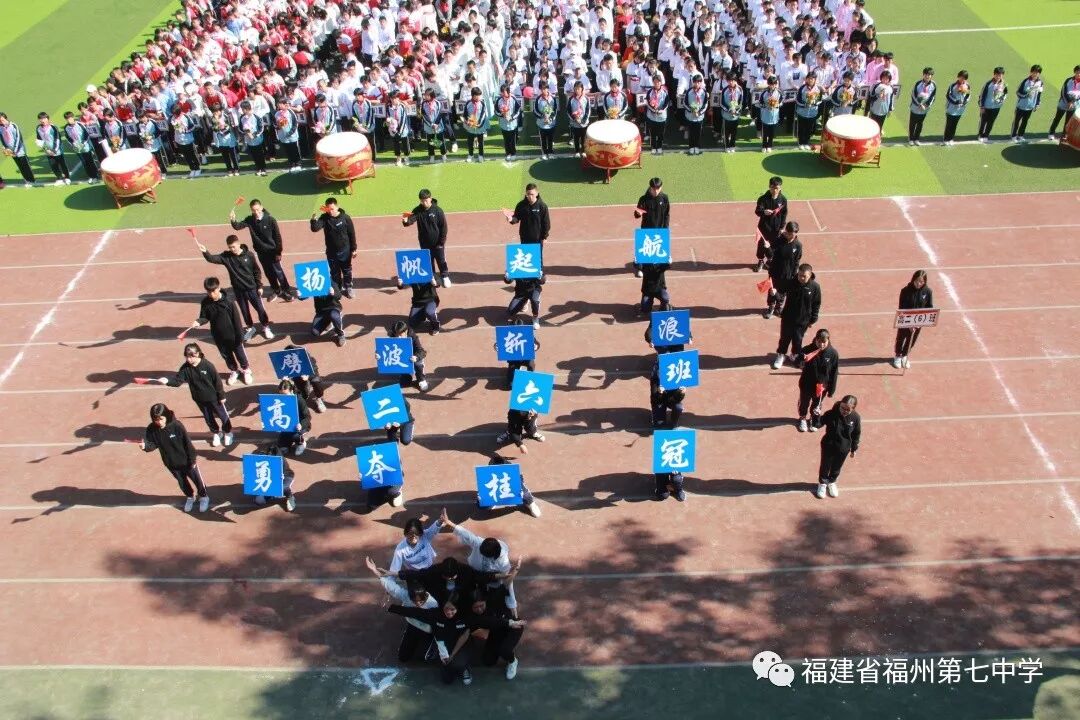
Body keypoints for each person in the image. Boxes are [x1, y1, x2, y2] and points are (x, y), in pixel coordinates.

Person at [387, 593, 527, 686]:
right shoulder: (434, 615)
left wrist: (510, 623)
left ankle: (465, 668)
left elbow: (488, 621)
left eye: (453, 610)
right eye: (447, 609)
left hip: (462, 645)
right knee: (447, 680)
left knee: (458, 664)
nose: (449, 612)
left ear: (457, 609)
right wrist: (391, 607)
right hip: (444, 645)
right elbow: (414, 612)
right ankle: (448, 662)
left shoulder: (466, 618)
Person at [149, 342, 234, 447]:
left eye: (191, 357)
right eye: (187, 357)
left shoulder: (208, 365)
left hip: (214, 398)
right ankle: (216, 433)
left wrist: (221, 396)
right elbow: (178, 381)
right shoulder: (185, 368)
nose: (188, 359)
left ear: (197, 354)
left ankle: (228, 432)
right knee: (208, 418)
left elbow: (217, 382)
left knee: (222, 416)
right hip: (200, 399)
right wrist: (167, 381)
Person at [198, 234, 274, 340]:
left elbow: (256, 271)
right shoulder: (227, 257)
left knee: (260, 309)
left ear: (238, 244)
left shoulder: (249, 255)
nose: (232, 249)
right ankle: (250, 328)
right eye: (230, 247)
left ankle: (265, 326)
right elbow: (211, 258)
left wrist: (259, 286)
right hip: (238, 291)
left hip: (252, 289)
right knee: (244, 311)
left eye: (233, 247)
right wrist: (205, 251)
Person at [140, 403, 211, 513]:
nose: (159, 422)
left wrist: (192, 460)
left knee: (197, 479)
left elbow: (187, 443)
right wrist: (145, 447)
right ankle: (190, 497)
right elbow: (153, 444)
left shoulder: (177, 426)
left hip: (187, 462)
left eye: (161, 419)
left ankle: (204, 496)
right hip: (171, 464)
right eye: (156, 420)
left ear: (166, 416)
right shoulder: (151, 429)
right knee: (182, 483)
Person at [365, 557, 439, 661]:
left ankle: (434, 640)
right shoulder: (406, 596)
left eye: (421, 601)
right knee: (403, 657)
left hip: (430, 628)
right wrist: (374, 570)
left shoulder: (433, 604)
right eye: (414, 601)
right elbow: (391, 587)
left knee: (428, 657)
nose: (418, 604)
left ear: (425, 596)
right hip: (414, 625)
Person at [188, 276, 253, 385]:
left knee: (240, 355)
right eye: (208, 292)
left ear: (218, 288)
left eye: (213, 291)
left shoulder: (229, 302)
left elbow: (237, 320)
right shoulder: (205, 302)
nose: (211, 294)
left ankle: (246, 370)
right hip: (219, 336)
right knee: (227, 356)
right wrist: (198, 321)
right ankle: (234, 371)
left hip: (234, 336)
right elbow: (205, 317)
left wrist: (240, 336)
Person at [230, 199, 293, 301]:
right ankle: (277, 290)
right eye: (253, 210)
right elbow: (238, 226)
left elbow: (277, 237)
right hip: (261, 253)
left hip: (273, 252)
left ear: (261, 207)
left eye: (257, 209)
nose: (256, 212)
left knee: (278, 272)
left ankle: (286, 290)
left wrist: (278, 252)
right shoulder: (250, 220)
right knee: (268, 273)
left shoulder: (270, 220)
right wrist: (233, 220)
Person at [772, 264, 821, 369]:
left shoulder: (815, 287)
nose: (801, 278)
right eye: (799, 275)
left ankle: (794, 354)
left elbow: (816, 304)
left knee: (798, 340)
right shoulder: (791, 283)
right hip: (788, 318)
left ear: (810, 275)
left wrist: (813, 319)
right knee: (784, 338)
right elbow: (780, 292)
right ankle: (781, 355)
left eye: (804, 276)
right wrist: (774, 293)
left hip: (803, 320)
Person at [815, 395, 861, 499]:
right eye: (842, 408)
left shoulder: (856, 418)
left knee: (837, 467)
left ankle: (832, 481)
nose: (844, 411)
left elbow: (856, 434)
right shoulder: (831, 414)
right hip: (828, 445)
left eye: (848, 409)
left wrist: (854, 449)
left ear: (853, 409)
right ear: (840, 404)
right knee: (825, 466)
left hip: (843, 448)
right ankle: (822, 483)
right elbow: (817, 424)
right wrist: (816, 416)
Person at [402, 188, 451, 287]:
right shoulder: (417, 210)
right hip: (424, 242)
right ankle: (432, 277)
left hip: (437, 243)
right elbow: (410, 220)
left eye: (426, 200)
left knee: (441, 260)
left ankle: (445, 276)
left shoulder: (438, 211)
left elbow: (444, 228)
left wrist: (441, 243)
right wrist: (406, 221)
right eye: (422, 201)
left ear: (430, 198)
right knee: (428, 261)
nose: (424, 203)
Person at [310, 197, 357, 298]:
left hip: (345, 251)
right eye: (328, 209)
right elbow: (315, 228)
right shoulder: (324, 218)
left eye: (332, 209)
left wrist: (354, 249)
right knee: (335, 273)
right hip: (331, 253)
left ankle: (348, 287)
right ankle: (337, 289)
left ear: (337, 207)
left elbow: (351, 234)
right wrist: (313, 220)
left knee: (347, 271)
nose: (330, 211)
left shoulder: (345, 218)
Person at [796, 328, 840, 433]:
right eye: (819, 342)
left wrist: (831, 390)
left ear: (828, 340)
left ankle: (813, 418)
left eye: (824, 342)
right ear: (815, 339)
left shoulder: (833, 354)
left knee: (817, 404)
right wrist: (801, 358)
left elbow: (834, 373)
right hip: (806, 384)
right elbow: (797, 360)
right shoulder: (807, 349)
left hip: (821, 387)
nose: (821, 344)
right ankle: (802, 417)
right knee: (804, 403)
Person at [893, 270, 934, 369]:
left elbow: (929, 307)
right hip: (905, 321)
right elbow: (902, 307)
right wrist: (908, 323)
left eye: (921, 282)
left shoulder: (928, 292)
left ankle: (905, 355)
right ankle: (898, 355)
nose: (918, 284)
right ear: (913, 279)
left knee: (912, 339)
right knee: (901, 338)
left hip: (918, 322)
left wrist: (919, 323)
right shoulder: (905, 291)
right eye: (917, 281)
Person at [763, 221, 803, 319]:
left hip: (788, 274)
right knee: (772, 290)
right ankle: (771, 307)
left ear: (796, 233)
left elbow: (797, 261)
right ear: (786, 231)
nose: (790, 236)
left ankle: (778, 307)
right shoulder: (779, 240)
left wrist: (794, 274)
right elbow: (770, 254)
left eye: (792, 234)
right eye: (789, 234)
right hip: (775, 272)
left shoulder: (798, 245)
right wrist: (767, 248)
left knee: (783, 292)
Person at [634, 176, 670, 277]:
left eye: (658, 188)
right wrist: (638, 213)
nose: (656, 191)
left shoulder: (664, 198)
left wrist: (666, 228)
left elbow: (667, 214)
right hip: (646, 228)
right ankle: (640, 268)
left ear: (661, 187)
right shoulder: (644, 199)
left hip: (660, 228)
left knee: (658, 249)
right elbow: (637, 214)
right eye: (654, 189)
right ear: (650, 188)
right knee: (644, 249)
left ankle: (657, 267)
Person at [386, 319, 430, 392]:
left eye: (400, 335)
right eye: (397, 335)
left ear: (406, 332)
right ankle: (406, 375)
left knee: (417, 364)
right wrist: (378, 355)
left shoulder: (413, 337)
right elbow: (384, 348)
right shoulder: (392, 336)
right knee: (405, 383)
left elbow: (422, 352)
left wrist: (416, 357)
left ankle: (421, 379)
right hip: (401, 358)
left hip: (413, 357)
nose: (398, 338)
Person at [754, 177, 788, 272]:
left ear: (780, 188)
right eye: (772, 188)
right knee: (761, 245)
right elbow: (757, 211)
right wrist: (764, 212)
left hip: (776, 228)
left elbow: (784, 214)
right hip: (764, 228)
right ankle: (760, 260)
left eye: (777, 188)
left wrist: (782, 227)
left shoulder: (783, 200)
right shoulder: (763, 199)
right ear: (769, 186)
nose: (775, 190)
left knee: (773, 246)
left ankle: (769, 261)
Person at [251, 443, 298, 511]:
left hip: (285, 477)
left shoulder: (279, 460)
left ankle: (289, 495)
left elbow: (276, 477)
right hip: (270, 478)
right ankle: (271, 494)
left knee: (281, 487)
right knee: (259, 501)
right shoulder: (261, 458)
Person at [269, 378, 310, 456]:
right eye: (281, 394)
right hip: (287, 425)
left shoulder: (299, 400)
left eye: (285, 394)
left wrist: (301, 425)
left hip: (299, 425)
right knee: (282, 448)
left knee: (295, 435)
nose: (283, 397)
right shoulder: (279, 400)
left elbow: (307, 417)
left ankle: (301, 443)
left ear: (291, 391)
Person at [284, 344, 327, 413]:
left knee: (317, 382)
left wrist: (308, 376)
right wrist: (285, 377)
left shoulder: (304, 354)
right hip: (297, 374)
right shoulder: (285, 357)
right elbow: (284, 369)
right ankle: (304, 392)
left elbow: (313, 367)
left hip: (310, 371)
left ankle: (318, 398)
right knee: (302, 391)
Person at [62, 111, 99, 183]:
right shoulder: (66, 127)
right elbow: (68, 137)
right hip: (77, 148)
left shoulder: (80, 124)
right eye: (67, 119)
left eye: (70, 118)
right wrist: (73, 143)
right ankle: (90, 176)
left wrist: (83, 143)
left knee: (90, 161)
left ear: (73, 117)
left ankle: (95, 176)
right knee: (84, 162)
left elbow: (86, 134)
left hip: (85, 147)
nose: (69, 120)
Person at [34, 113, 71, 185]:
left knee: (62, 164)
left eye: (44, 118)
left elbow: (57, 139)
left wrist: (54, 150)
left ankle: (67, 177)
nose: (43, 120)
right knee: (53, 165)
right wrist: (45, 149)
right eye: (41, 119)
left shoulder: (53, 127)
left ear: (48, 119)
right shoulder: (38, 128)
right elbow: (39, 139)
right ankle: (59, 178)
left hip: (57, 150)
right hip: (47, 150)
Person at [0, 112, 34, 187]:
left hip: (19, 150)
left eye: (2, 120)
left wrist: (15, 150)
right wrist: (6, 147)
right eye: (0, 121)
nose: (1, 122)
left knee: (25, 165)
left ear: (6, 118)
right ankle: (26, 180)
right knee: (20, 166)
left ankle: (32, 180)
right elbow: (2, 138)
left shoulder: (13, 126)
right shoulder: (0, 128)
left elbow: (19, 138)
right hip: (11, 151)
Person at [1010, 65, 1043, 142]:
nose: (1035, 74)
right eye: (1033, 72)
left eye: (1037, 72)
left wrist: (1037, 104)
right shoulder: (1025, 81)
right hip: (1021, 106)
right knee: (1016, 121)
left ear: (1039, 74)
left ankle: (1020, 135)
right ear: (1031, 72)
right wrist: (1026, 95)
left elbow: (1039, 94)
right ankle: (1013, 135)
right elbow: (1018, 93)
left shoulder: (1040, 83)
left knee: (1025, 122)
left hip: (1030, 106)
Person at [1048, 65, 1080, 141]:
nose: (1079, 74)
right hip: (1063, 103)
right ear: (1074, 72)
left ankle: (1064, 134)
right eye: (1077, 72)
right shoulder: (1068, 80)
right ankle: (1051, 133)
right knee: (1057, 118)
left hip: (1073, 104)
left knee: (1068, 121)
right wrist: (1069, 101)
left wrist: (1073, 101)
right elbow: (1063, 92)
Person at [977, 67, 1008, 142]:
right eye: (997, 75)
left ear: (1002, 75)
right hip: (986, 107)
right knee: (983, 122)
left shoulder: (1004, 84)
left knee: (991, 122)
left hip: (996, 107)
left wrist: (1001, 100)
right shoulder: (988, 84)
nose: (998, 76)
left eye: (1000, 75)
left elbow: (1005, 94)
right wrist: (982, 106)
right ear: (994, 74)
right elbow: (982, 95)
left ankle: (986, 135)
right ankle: (980, 135)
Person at [170, 105, 202, 178]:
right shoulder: (172, 118)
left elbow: (193, 126)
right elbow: (174, 127)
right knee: (186, 156)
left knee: (192, 154)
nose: (174, 115)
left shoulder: (185, 117)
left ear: (178, 112)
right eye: (173, 114)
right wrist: (177, 128)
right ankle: (192, 169)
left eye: (175, 114)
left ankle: (197, 168)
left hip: (188, 139)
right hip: (179, 140)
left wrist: (185, 131)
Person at [907, 68, 937, 146]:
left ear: (931, 76)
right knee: (913, 123)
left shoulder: (933, 85)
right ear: (923, 75)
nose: (927, 76)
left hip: (924, 108)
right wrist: (919, 104)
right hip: (915, 107)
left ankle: (916, 138)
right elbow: (913, 95)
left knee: (920, 123)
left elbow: (932, 97)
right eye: (926, 74)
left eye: (929, 75)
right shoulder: (918, 83)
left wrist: (926, 105)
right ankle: (911, 138)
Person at [237, 101, 268, 176]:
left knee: (260, 154)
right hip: (249, 140)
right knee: (254, 155)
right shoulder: (242, 117)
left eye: (243, 109)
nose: (242, 111)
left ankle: (263, 168)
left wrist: (254, 135)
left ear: (247, 108)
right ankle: (258, 168)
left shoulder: (256, 116)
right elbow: (240, 128)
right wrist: (245, 132)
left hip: (257, 140)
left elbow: (261, 128)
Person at [794, 72, 823, 150]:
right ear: (806, 79)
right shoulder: (802, 88)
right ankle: (800, 143)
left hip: (812, 113)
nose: (810, 80)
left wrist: (814, 102)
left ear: (815, 80)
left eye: (812, 79)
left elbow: (820, 100)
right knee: (801, 128)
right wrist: (805, 104)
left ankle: (806, 142)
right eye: (809, 78)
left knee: (809, 129)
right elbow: (798, 100)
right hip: (802, 112)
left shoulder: (819, 89)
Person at [644, 74, 671, 155]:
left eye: (658, 82)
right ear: (653, 82)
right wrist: (653, 110)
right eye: (655, 82)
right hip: (651, 116)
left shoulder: (665, 92)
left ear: (661, 82)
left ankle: (659, 147)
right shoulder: (649, 92)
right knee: (653, 133)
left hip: (661, 116)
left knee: (660, 133)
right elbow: (647, 103)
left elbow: (667, 103)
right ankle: (653, 147)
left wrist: (661, 110)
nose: (656, 84)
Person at [274, 97, 303, 171]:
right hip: (283, 136)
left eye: (280, 104)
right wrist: (278, 126)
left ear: (285, 104)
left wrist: (291, 132)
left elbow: (295, 123)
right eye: (278, 104)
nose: (279, 105)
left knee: (295, 150)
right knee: (288, 150)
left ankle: (298, 163)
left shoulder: (290, 112)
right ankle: (292, 164)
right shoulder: (277, 114)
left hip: (292, 136)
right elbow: (275, 124)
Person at [942, 71, 971, 146]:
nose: (962, 79)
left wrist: (964, 102)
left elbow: (968, 95)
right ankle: (946, 139)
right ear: (958, 76)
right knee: (949, 124)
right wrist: (956, 101)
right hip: (951, 109)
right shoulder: (953, 85)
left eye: (964, 78)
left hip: (960, 109)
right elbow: (948, 95)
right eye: (961, 77)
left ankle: (951, 139)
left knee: (954, 124)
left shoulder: (967, 85)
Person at [495, 84, 523, 161]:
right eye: (502, 92)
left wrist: (512, 117)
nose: (502, 94)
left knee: (513, 140)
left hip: (512, 124)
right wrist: (502, 114)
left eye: (504, 92)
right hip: (503, 124)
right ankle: (508, 153)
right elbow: (496, 111)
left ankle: (513, 153)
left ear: (508, 92)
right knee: (506, 140)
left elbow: (518, 111)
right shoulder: (499, 100)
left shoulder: (513, 99)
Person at [419, 89, 448, 162]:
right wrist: (431, 124)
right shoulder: (423, 104)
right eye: (425, 95)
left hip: (438, 126)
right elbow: (424, 115)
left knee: (441, 141)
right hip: (429, 126)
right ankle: (431, 156)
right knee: (430, 142)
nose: (425, 96)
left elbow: (440, 114)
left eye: (427, 95)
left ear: (432, 96)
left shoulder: (438, 103)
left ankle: (443, 154)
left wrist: (436, 124)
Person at [462, 86, 489, 162]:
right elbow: (465, 114)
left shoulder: (482, 103)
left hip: (479, 126)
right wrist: (468, 121)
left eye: (479, 95)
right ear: (472, 95)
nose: (478, 97)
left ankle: (481, 155)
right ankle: (470, 155)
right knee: (470, 141)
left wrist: (479, 124)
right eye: (476, 95)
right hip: (470, 127)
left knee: (481, 141)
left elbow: (483, 115)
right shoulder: (468, 103)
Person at [210, 106, 240, 176]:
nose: (215, 113)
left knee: (233, 155)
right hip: (221, 140)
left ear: (220, 111)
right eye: (214, 112)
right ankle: (229, 169)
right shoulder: (213, 119)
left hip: (230, 138)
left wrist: (224, 127)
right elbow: (213, 128)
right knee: (225, 156)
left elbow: (232, 125)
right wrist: (217, 122)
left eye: (217, 111)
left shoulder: (227, 115)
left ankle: (236, 168)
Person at [683, 74, 708, 155]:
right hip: (690, 116)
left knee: (698, 132)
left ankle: (697, 146)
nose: (697, 84)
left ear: (701, 83)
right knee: (691, 132)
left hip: (699, 117)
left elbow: (705, 104)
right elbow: (684, 103)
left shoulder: (704, 92)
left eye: (699, 82)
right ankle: (691, 147)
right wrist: (691, 111)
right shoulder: (689, 91)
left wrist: (699, 112)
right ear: (693, 82)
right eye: (695, 82)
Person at [717, 75, 743, 153]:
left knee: (734, 131)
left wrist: (736, 110)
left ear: (736, 81)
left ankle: (732, 145)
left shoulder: (740, 89)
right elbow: (721, 103)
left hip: (735, 115)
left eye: (733, 80)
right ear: (727, 81)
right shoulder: (724, 90)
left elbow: (741, 102)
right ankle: (727, 145)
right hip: (726, 115)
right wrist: (729, 109)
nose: (731, 82)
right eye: (729, 81)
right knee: (727, 132)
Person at [386, 93, 413, 166]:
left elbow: (404, 119)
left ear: (398, 98)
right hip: (393, 129)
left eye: (395, 98)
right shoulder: (388, 107)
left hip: (403, 129)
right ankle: (398, 158)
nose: (393, 100)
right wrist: (388, 123)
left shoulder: (402, 106)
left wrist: (400, 131)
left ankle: (406, 157)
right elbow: (388, 117)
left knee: (405, 143)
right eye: (391, 98)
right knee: (396, 144)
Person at [567, 81, 592, 158]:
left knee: (584, 138)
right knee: (576, 138)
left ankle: (583, 151)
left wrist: (583, 120)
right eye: (575, 89)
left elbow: (588, 110)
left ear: (582, 89)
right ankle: (577, 151)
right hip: (575, 123)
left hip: (584, 123)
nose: (577, 90)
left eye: (578, 89)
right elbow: (568, 111)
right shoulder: (571, 99)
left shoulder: (586, 98)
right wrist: (574, 118)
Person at [533, 83, 558, 159]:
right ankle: (544, 153)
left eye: (545, 88)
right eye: (542, 89)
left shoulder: (553, 98)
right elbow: (535, 111)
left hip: (551, 123)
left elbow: (555, 110)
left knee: (550, 139)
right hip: (541, 124)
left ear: (548, 89)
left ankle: (550, 152)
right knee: (543, 140)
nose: (543, 90)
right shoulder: (538, 99)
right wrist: (543, 116)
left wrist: (550, 118)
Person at [758, 75, 782, 153]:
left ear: (776, 84)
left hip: (774, 115)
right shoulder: (764, 92)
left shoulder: (779, 93)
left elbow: (781, 102)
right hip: (765, 115)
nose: (772, 86)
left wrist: (777, 105)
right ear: (768, 84)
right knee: (765, 132)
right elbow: (760, 103)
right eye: (771, 84)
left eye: (774, 84)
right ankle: (764, 145)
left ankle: (769, 145)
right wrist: (766, 105)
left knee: (772, 132)